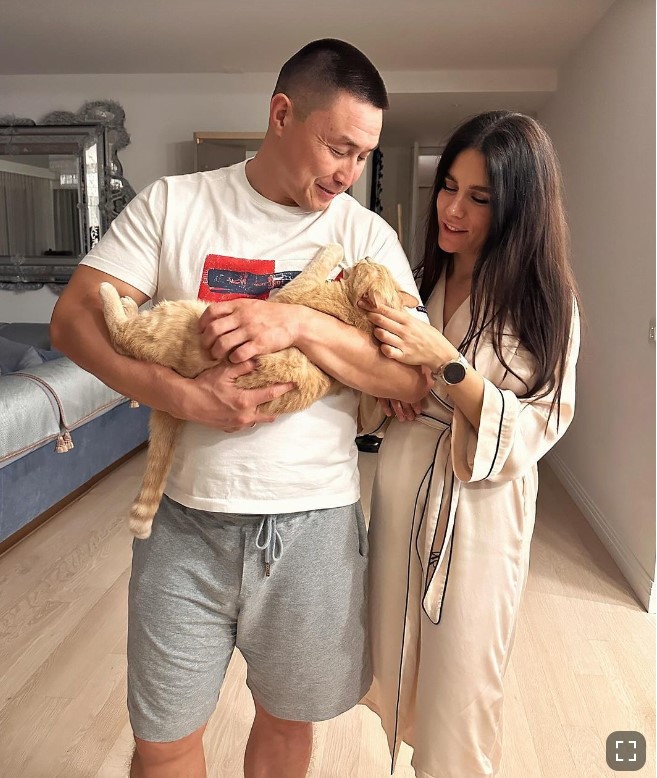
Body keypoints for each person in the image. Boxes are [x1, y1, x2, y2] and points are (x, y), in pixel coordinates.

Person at [50, 39, 430, 778]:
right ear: (282, 114)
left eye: (362, 155)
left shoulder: (363, 234)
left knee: (287, 723)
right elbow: (72, 322)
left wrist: (298, 323)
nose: (348, 173)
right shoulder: (175, 203)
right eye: (337, 148)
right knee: (162, 741)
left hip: (314, 527)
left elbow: (411, 380)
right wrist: (183, 396)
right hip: (182, 524)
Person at [360, 111, 581, 777]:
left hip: (478, 507)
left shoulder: (546, 302)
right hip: (402, 486)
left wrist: (445, 364)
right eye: (449, 188)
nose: (452, 210)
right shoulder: (420, 278)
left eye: (479, 198)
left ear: (518, 209)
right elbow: (380, 378)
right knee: (397, 650)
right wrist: (392, 391)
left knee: (461, 679)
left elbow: (541, 422)